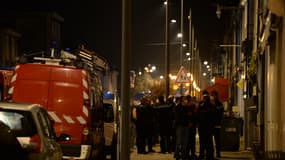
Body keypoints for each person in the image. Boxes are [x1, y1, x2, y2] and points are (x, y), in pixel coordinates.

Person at [197, 91, 217, 160]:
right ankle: (210, 155)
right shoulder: (212, 107)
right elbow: (215, 117)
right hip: (209, 127)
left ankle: (202, 155)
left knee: (202, 142)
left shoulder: (201, 107)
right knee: (209, 142)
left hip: (202, 127)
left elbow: (197, 116)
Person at [174, 96, 190, 160]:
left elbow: (189, 115)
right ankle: (177, 155)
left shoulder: (187, 107)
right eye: (184, 99)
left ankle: (183, 155)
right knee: (179, 141)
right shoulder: (178, 107)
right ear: (181, 100)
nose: (185, 100)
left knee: (185, 141)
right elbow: (178, 117)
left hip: (186, 125)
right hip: (180, 125)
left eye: (185, 99)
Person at [210, 90, 224, 158]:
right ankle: (211, 153)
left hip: (216, 124)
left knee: (217, 140)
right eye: (211, 95)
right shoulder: (210, 103)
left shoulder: (219, 103)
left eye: (213, 95)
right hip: (211, 124)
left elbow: (220, 113)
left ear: (216, 96)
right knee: (210, 140)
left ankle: (218, 153)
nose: (212, 97)